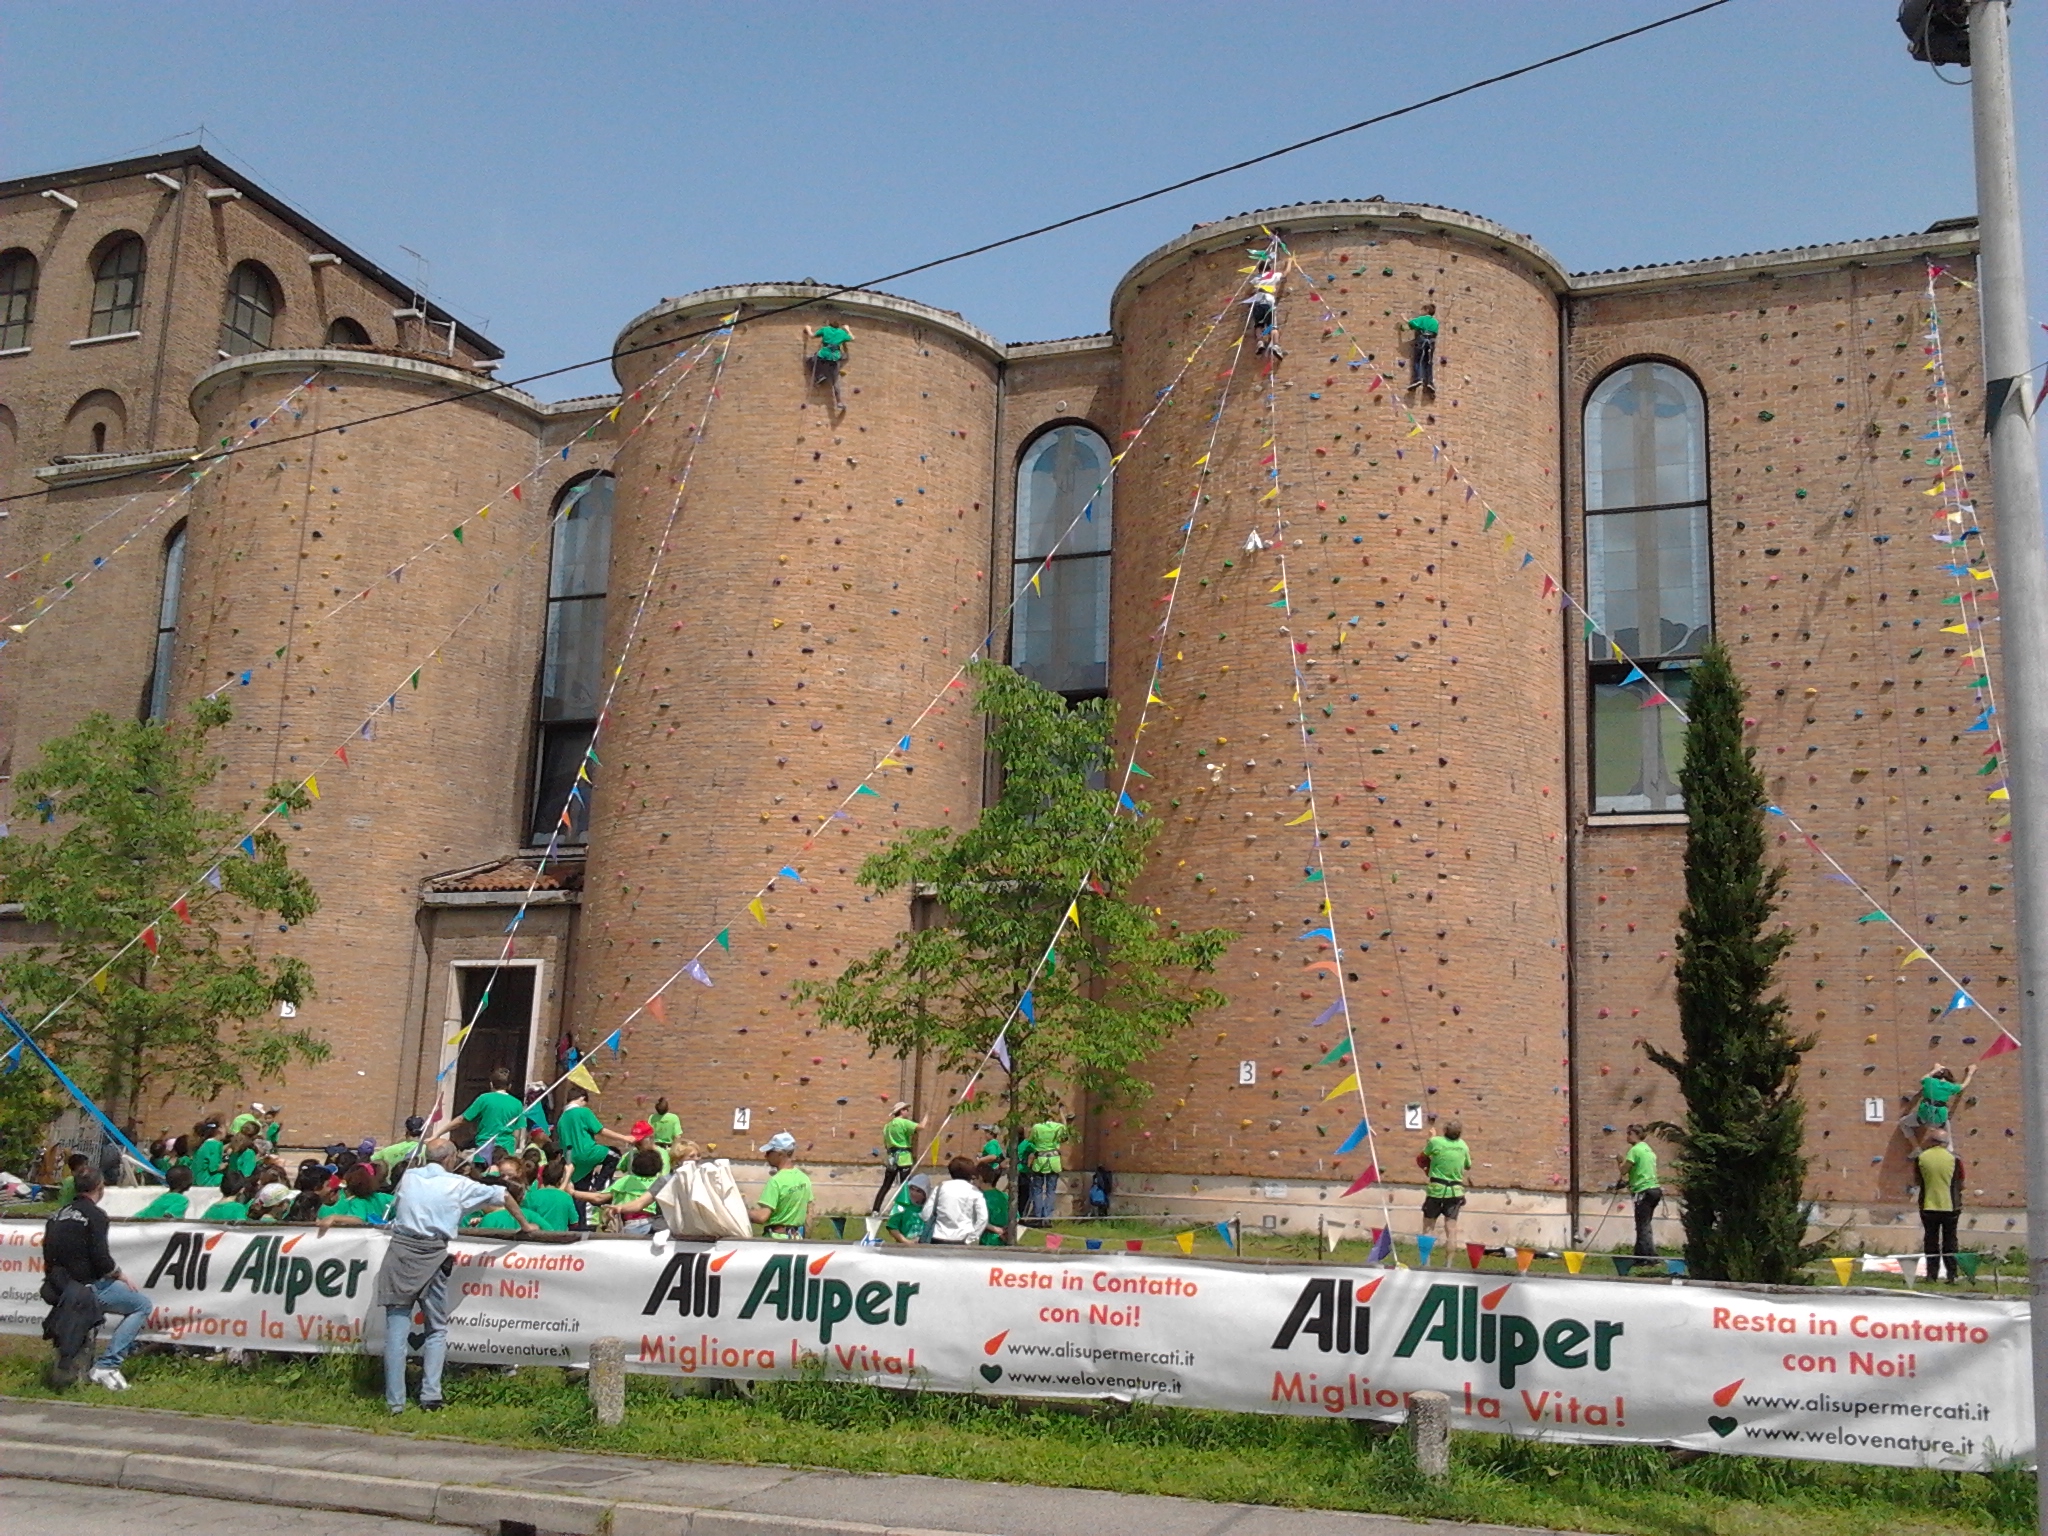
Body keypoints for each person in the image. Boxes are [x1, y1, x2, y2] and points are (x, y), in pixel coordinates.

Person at [355, 1136, 532, 1414]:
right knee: (436, 1329)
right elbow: (503, 1195)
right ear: (450, 1158)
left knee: (396, 1333)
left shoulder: (410, 1177)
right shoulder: (458, 1184)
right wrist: (525, 1224)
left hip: (400, 1251)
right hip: (433, 1253)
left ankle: (395, 1402)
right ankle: (431, 1395)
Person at [44, 1167, 151, 1391]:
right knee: (141, 1305)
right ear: (100, 1188)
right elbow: (102, 1260)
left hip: (61, 1289)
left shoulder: (56, 1215)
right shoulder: (96, 1215)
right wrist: (121, 1275)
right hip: (88, 1288)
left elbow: (48, 1256)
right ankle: (108, 1364)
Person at [1418, 1118, 1472, 1263]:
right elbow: (1468, 1165)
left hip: (1436, 1190)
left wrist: (1430, 1138)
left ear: (1445, 1131)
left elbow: (1423, 1156)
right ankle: (1448, 1264)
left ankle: (1426, 1262)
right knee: (1451, 1230)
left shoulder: (1436, 1142)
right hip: (1455, 1192)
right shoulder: (1463, 1146)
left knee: (1428, 1227)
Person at [1916, 1127, 1962, 1283]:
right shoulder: (1955, 1159)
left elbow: (1917, 1180)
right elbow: (1960, 1180)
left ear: (1932, 1141)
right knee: (1950, 1241)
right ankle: (1952, 1275)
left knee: (1931, 1241)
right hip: (1951, 1206)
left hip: (1928, 1205)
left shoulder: (1921, 1157)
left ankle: (1931, 1275)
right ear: (1945, 1142)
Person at [751, 1131, 812, 1238]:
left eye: (769, 1152)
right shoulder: (804, 1179)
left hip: (776, 1239)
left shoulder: (775, 1181)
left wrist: (741, 1211)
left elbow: (762, 1217)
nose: (766, 1156)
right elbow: (809, 1212)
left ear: (779, 1154)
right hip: (796, 1238)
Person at [459, 1067, 525, 1162]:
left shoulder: (484, 1098)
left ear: (491, 1084)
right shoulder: (517, 1104)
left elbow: (462, 1119)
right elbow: (517, 1133)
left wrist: (439, 1133)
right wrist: (512, 1153)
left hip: (484, 1150)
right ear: (510, 1086)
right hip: (506, 1153)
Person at [871, 1101, 923, 1214]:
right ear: (901, 1111)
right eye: (906, 1110)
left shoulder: (887, 1126)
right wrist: (927, 1116)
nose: (908, 1112)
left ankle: (876, 1209)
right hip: (904, 1157)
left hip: (891, 1158)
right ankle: (906, 1209)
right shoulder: (904, 1123)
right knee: (906, 1186)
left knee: (886, 1185)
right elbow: (921, 1127)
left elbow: (886, 1143)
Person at [1620, 1125, 1661, 1260]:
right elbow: (1642, 1171)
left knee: (1642, 1225)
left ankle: (1645, 1258)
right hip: (1654, 1189)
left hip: (1643, 1190)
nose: (1627, 1137)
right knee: (1646, 1223)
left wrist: (1619, 1161)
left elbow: (1624, 1170)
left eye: (1629, 1133)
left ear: (1636, 1134)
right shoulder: (1648, 1150)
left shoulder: (1634, 1150)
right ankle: (1644, 1254)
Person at [927, 1157, 989, 1245]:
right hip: (963, 1238)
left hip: (938, 1236)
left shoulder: (940, 1187)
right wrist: (972, 1238)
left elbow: (926, 1213)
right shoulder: (974, 1192)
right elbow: (983, 1218)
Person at [1913, 1062, 1976, 1146]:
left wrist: (1935, 1069)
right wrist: (1970, 1072)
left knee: (1904, 1123)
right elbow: (1963, 1085)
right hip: (1939, 1118)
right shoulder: (1949, 1086)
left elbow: (1922, 1079)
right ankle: (1950, 1149)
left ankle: (1916, 1148)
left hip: (1923, 1115)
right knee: (1947, 1129)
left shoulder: (1930, 1082)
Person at [519, 1158, 580, 1233]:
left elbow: (523, 1218)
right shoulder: (566, 1197)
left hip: (536, 1240)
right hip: (559, 1239)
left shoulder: (531, 1196)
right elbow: (574, 1223)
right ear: (560, 1180)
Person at [1027, 1114, 1069, 1221]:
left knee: (1037, 1190)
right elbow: (1065, 1130)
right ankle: (1047, 1216)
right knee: (1051, 1190)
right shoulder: (1057, 1127)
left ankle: (1037, 1216)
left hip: (1040, 1161)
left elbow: (1030, 1140)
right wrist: (1062, 1113)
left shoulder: (1036, 1127)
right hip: (1054, 1162)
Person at [808, 322, 852, 409]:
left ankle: (819, 376)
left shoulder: (825, 329)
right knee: (835, 381)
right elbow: (852, 338)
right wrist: (847, 329)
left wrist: (808, 328)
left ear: (830, 325)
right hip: (835, 357)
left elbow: (812, 336)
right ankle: (839, 402)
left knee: (810, 360)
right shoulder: (841, 332)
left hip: (824, 355)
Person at [1246, 268, 1284, 357]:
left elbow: (1249, 291)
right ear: (1269, 269)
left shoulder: (1257, 278)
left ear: (1259, 270)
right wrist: (1289, 263)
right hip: (1269, 303)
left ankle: (1260, 342)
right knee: (1272, 326)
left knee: (1258, 325)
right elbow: (1285, 274)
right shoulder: (1273, 275)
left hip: (1258, 303)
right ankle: (1276, 346)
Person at [975, 1160, 1009, 1245]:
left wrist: (996, 1229)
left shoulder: (980, 1198)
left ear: (980, 1178)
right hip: (1005, 1238)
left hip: (988, 1239)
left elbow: (978, 1219)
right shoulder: (1004, 1196)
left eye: (974, 1179)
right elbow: (1016, 1217)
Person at [1407, 305, 1439, 393]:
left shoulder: (1422, 319)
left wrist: (1405, 320)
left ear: (1427, 310)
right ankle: (1429, 382)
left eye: (1423, 310)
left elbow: (1412, 324)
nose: (1421, 312)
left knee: (1418, 360)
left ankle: (1417, 379)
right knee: (1428, 362)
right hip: (1431, 341)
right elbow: (1435, 332)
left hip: (1422, 339)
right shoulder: (1435, 322)